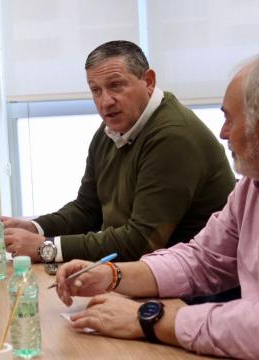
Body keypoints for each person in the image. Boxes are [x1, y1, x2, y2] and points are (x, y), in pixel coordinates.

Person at [54, 57, 259, 359]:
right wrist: (113, 275)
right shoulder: (250, 187)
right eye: (95, 90)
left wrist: (150, 317)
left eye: (230, 119)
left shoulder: (173, 134)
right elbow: (202, 259)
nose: (223, 132)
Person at [2, 40, 235, 268]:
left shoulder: (173, 137)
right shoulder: (112, 130)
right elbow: (87, 209)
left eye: (116, 86)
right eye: (96, 90)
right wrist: (35, 228)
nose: (105, 102)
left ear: (149, 81)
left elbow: (140, 242)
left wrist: (46, 247)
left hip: (192, 285)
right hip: (139, 271)